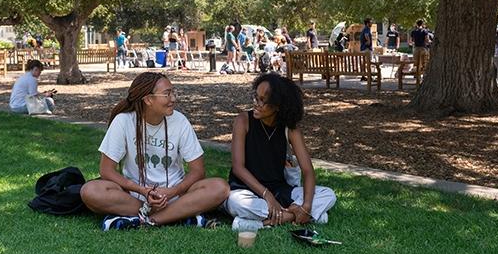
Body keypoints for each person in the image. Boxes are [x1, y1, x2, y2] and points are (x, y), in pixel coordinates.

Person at [79, 73, 229, 230]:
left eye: (173, 92)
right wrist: (142, 191)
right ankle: (178, 216)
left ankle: (147, 220)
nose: (173, 99)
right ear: (148, 100)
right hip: (135, 196)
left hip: (176, 195)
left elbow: (198, 171)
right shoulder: (123, 121)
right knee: (90, 191)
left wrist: (171, 192)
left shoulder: (180, 121)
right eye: (167, 94)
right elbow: (106, 170)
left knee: (220, 187)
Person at [225, 73, 336, 231]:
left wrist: (306, 205)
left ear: (277, 105)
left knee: (328, 194)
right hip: (246, 190)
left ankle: (264, 222)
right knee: (236, 203)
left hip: (280, 191)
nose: (256, 103)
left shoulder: (289, 128)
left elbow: (308, 170)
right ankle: (301, 216)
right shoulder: (243, 121)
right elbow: (238, 167)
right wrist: (267, 196)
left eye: (262, 100)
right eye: (255, 97)